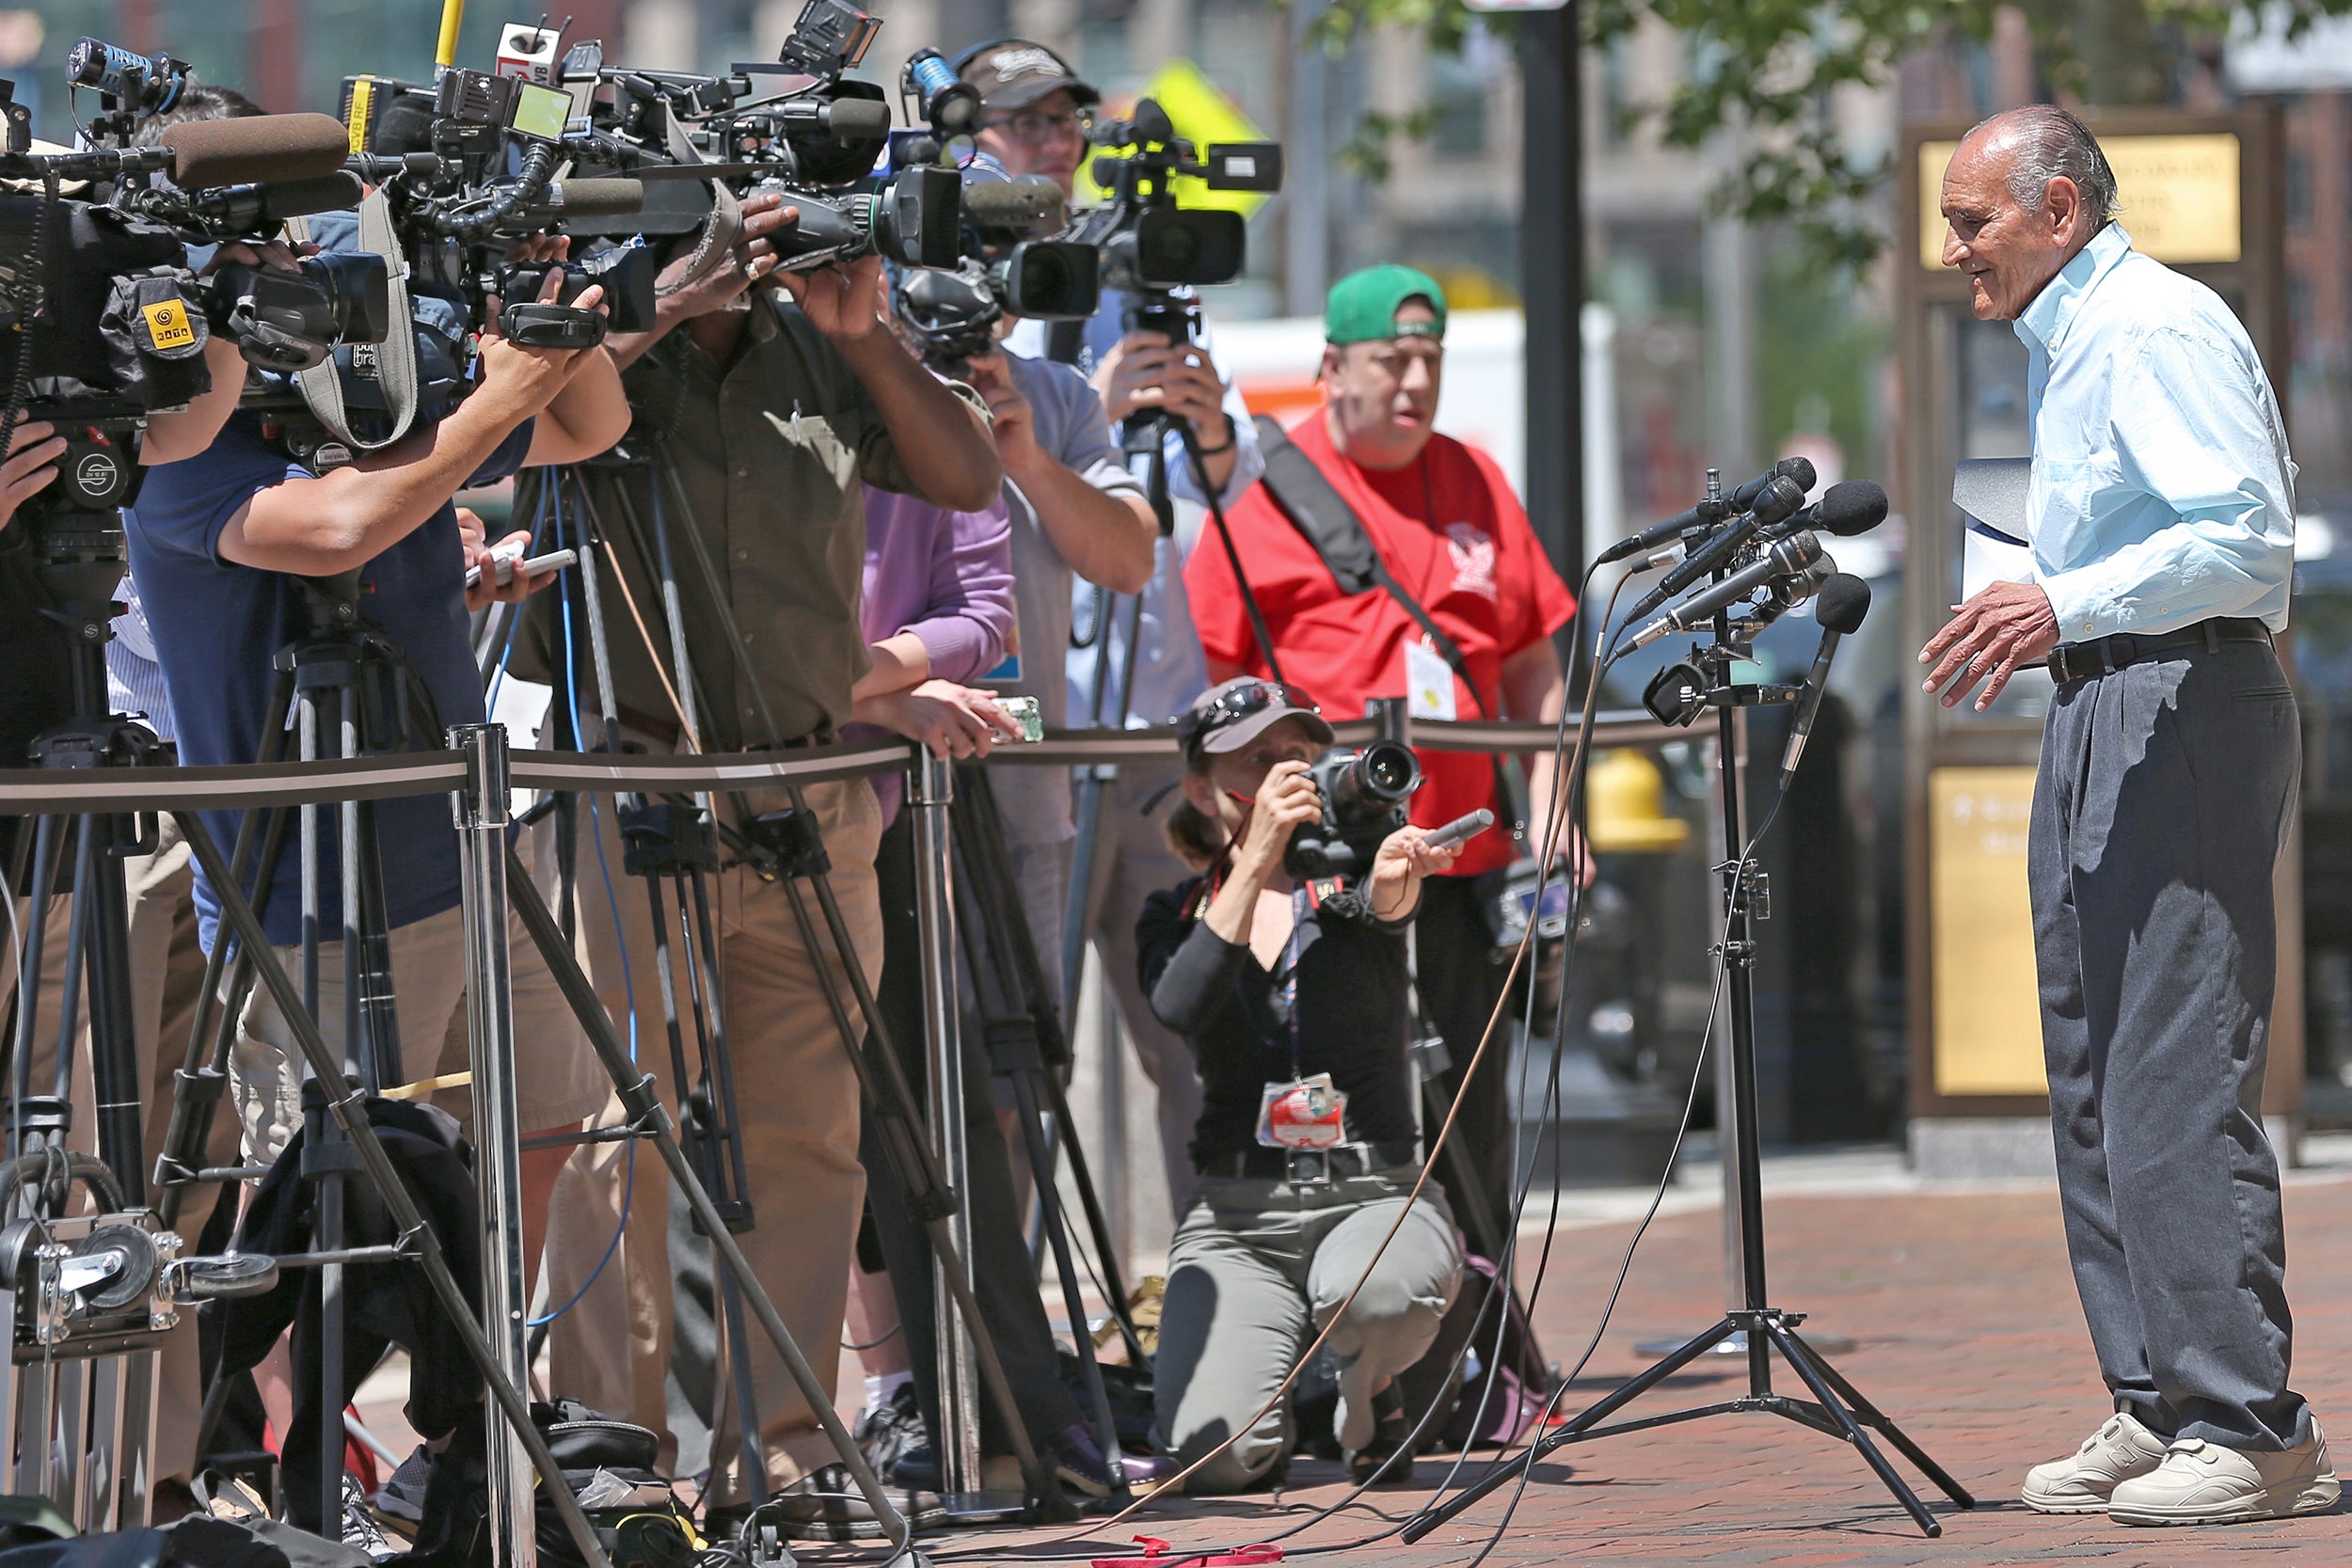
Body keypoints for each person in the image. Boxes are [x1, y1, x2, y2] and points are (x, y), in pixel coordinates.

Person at [122, 236, 627, 1539]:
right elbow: (344, 521)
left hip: (456, 841)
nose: (302, 289)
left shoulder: (387, 393)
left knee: (538, 1130)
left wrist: (529, 315)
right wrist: (496, 395)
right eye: (260, 268)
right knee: (324, 1206)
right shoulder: (182, 447)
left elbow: (594, 422)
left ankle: (458, 1440)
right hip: (308, 888)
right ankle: (308, 1474)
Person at [529, 189, 999, 1540]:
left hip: (805, 788)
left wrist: (869, 338)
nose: (749, 248)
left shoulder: (822, 345)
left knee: (807, 1141)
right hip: (635, 780)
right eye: (720, 216)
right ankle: (610, 1453)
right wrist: (664, 301)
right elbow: (512, 427)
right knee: (627, 1138)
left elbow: (968, 481)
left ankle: (779, 1448)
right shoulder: (607, 337)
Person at [1919, 105, 2332, 1526]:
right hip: (2107, 696)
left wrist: (2064, 599)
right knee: (2096, 1065)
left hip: (2183, 698)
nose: (1953, 247)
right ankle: (2162, 1400)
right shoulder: (2074, 341)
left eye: (1973, 219)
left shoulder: (2152, 327)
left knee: (2170, 1063)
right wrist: (2059, 612)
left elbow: (2242, 536)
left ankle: (2251, 1421)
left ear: (2058, 210)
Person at [1183, 264, 1583, 1258]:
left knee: (1469, 1109)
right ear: (1331, 367)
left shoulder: (1474, 477)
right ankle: (1363, 1358)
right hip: (1329, 867)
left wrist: (1553, 801)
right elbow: (1206, 692)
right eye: (1390, 359)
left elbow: (1532, 654)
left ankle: (1485, 1350)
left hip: (1465, 859)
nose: (1413, 380)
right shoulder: (1267, 497)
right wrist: (1248, 841)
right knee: (1357, 1106)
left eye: (1429, 360)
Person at [960, 39, 1263, 1216]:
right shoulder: (960, 297)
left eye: (1065, 121)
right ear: (965, 140)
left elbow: (1211, 514)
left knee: (1199, 1044)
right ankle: (1030, 1365)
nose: (1052, 144)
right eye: (1022, 122)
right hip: (1025, 732)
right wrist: (1087, 408)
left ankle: (1217, 1329)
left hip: (1150, 735)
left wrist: (1207, 434)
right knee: (1018, 1065)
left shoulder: (1137, 278)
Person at [1139, 677, 1462, 1492]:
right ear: (1201, 786)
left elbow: (1388, 906)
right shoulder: (1175, 912)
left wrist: (1397, 874)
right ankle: (1277, 1405)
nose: (1289, 773)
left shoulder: (1350, 877)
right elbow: (1180, 1004)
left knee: (1380, 1297)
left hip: (1370, 1190)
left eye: (1301, 755)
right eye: (1260, 759)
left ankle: (1368, 1389)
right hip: (1238, 1218)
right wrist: (1255, 857)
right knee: (1214, 1460)